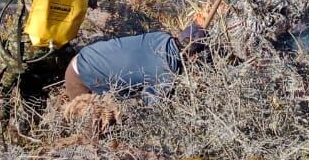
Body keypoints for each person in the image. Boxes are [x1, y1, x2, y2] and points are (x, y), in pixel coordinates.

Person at [63, 21, 207, 102]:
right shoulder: (168, 71)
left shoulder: (160, 37)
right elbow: (151, 105)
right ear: (193, 56)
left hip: (84, 57)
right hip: (82, 77)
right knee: (92, 136)